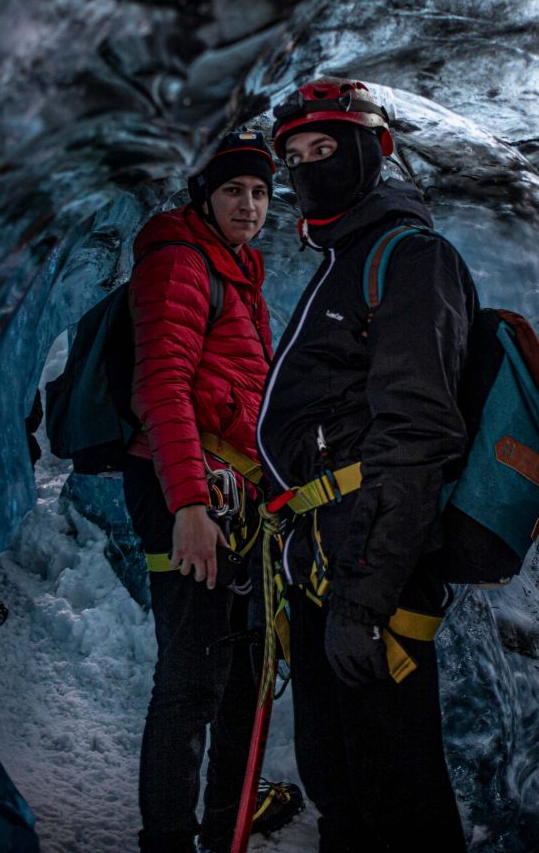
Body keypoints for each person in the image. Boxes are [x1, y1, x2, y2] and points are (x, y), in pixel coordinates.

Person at [257, 79, 478, 853]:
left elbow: (414, 436)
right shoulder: (343, 262)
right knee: (341, 786)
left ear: (374, 151)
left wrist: (362, 599)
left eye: (327, 149)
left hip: (368, 579)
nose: (309, 167)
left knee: (397, 799)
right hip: (326, 564)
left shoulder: (409, 260)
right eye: (296, 157)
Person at [121, 128, 303, 853]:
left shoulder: (238, 270)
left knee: (245, 681)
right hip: (193, 492)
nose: (250, 205)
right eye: (233, 189)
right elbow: (162, 388)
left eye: (260, 192)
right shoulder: (179, 262)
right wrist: (189, 508)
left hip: (240, 497)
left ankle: (225, 831)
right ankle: (168, 841)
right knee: (192, 681)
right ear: (205, 194)